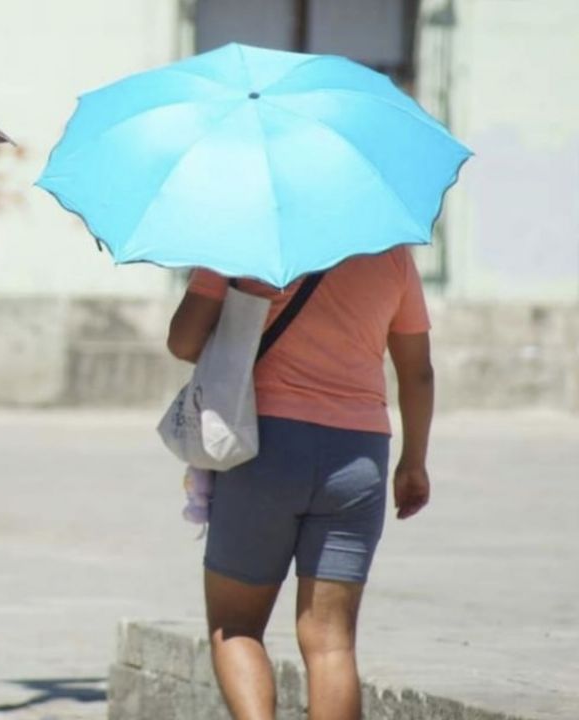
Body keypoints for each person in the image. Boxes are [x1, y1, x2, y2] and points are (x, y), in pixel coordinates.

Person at [166, 247, 434, 720]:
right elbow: (417, 370)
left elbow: (183, 342)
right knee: (332, 645)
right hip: (360, 456)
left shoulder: (239, 242)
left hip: (263, 449)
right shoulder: (391, 254)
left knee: (236, 627)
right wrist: (414, 461)